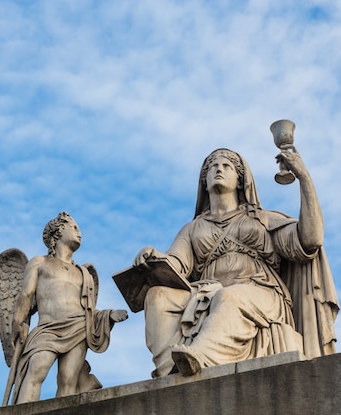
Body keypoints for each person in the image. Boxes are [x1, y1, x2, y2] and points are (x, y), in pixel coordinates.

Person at [134, 148, 338, 377]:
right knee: (157, 296)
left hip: (261, 293)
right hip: (207, 293)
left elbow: (310, 240)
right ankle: (169, 370)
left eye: (226, 166)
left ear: (240, 180)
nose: (218, 169)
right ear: (204, 180)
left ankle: (201, 356)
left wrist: (303, 177)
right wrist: (154, 257)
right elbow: (176, 264)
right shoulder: (193, 229)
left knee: (229, 296)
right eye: (212, 167)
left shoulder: (262, 219)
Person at [11, 212, 128, 403]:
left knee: (68, 379)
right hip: (47, 328)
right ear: (58, 232)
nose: (79, 232)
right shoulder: (39, 263)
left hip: (79, 327)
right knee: (36, 370)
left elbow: (88, 310)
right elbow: (25, 295)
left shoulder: (83, 273)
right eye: (74, 227)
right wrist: (17, 321)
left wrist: (108, 315)